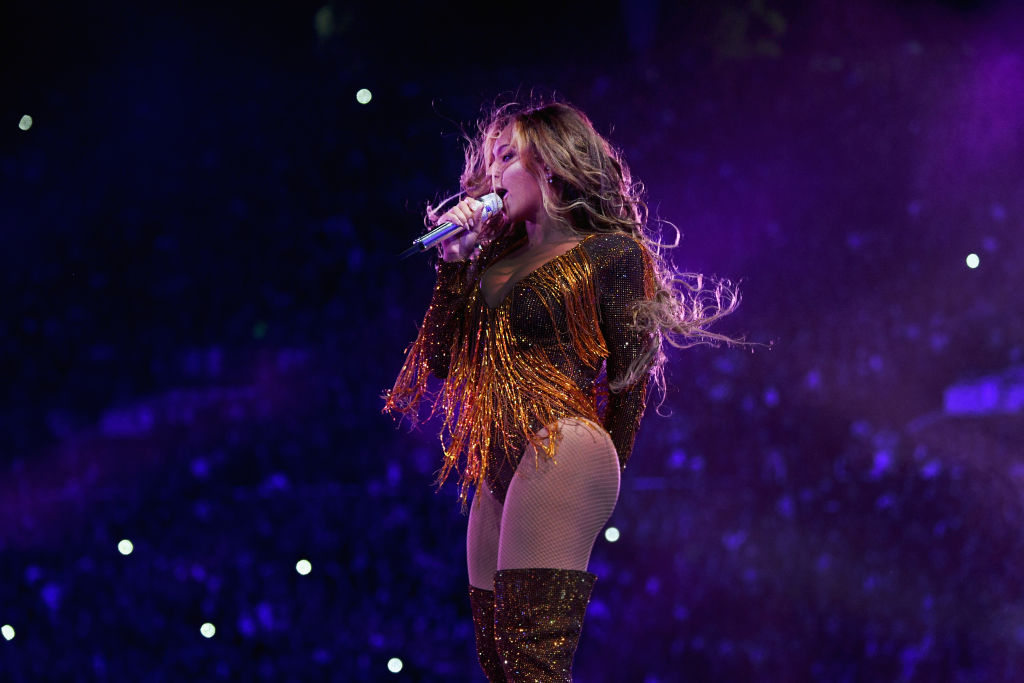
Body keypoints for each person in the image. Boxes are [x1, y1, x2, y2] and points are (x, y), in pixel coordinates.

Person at [384, 100, 739, 682]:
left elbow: (629, 377)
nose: (491, 176)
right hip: (499, 461)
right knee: (500, 664)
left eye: (506, 157)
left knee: (533, 664)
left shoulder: (609, 253)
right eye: (489, 161)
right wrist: (452, 264)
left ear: (550, 164)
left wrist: (607, 472)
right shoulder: (487, 259)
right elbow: (441, 362)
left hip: (562, 445)